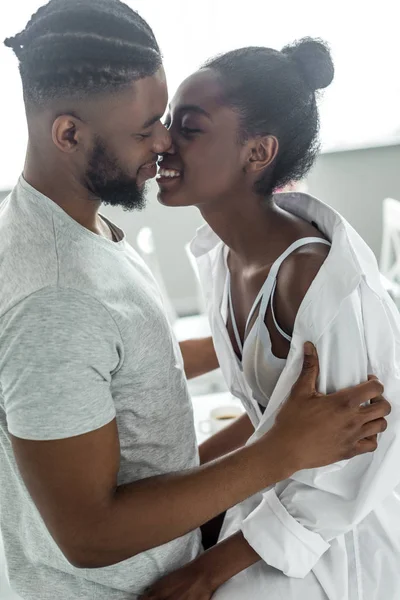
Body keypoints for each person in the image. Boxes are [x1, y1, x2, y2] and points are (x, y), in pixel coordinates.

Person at [0, 3, 390, 599]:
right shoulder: (58, 291)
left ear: (258, 153)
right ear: (70, 133)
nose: (161, 143)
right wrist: (271, 454)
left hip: (294, 554)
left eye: (178, 123)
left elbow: (122, 365)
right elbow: (89, 533)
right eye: (148, 127)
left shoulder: (81, 231)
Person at [144, 38, 400, 599]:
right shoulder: (222, 253)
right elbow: (270, 419)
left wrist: (206, 569)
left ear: (257, 153)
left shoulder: (307, 277)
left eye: (189, 127)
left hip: (339, 540)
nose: (162, 142)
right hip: (274, 501)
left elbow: (356, 457)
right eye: (168, 124)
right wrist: (173, 496)